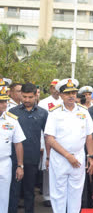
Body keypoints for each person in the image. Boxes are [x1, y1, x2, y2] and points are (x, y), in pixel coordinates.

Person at [44, 78, 93, 213]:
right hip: (60, 158)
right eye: (67, 93)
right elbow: (50, 138)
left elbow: (89, 135)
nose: (71, 96)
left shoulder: (84, 111)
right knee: (58, 193)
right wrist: (67, 156)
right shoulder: (54, 112)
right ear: (61, 95)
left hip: (78, 156)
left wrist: (91, 157)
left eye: (73, 92)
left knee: (76, 192)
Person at [8, 83, 48, 213]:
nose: (26, 100)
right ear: (20, 95)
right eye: (24, 96)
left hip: (32, 158)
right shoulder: (12, 113)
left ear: (36, 95)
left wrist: (47, 156)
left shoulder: (43, 113)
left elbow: (48, 136)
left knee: (29, 192)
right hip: (13, 158)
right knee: (13, 191)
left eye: (30, 97)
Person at [0, 85, 25, 213]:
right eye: (0, 101)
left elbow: (18, 143)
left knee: (4, 197)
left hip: (4, 162)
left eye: (4, 101)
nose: (3, 104)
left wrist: (20, 165)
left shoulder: (12, 120)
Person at [38, 79, 62, 207]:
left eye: (58, 88)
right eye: (54, 88)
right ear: (51, 88)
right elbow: (42, 126)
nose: (56, 90)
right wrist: (42, 144)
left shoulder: (65, 102)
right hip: (48, 139)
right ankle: (47, 195)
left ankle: (59, 195)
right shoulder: (43, 103)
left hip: (61, 141)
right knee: (47, 169)